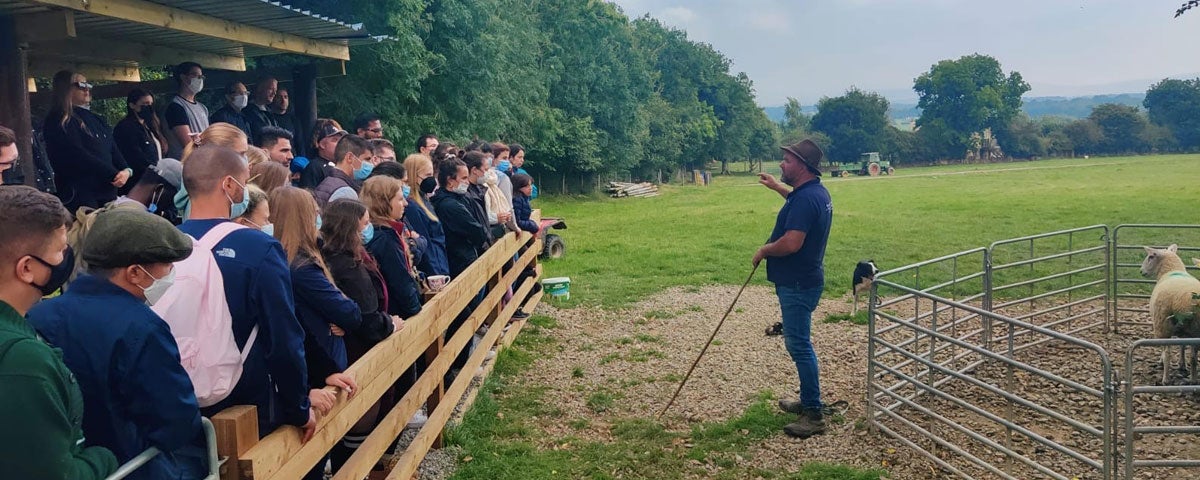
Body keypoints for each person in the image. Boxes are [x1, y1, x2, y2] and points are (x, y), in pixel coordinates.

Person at [27, 208, 205, 480]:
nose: (171, 274)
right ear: (135, 272)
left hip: (62, 462)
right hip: (129, 465)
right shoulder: (142, 328)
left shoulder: (40, 314)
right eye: (168, 266)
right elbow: (176, 421)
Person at [176, 145, 315, 437]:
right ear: (228, 185)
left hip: (179, 392)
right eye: (244, 181)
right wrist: (297, 407)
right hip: (246, 396)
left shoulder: (163, 244)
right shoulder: (258, 248)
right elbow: (284, 336)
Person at [0, 185, 119, 479]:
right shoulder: (23, 361)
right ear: (27, 268)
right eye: (60, 251)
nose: (66, 258)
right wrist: (103, 458)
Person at [752, 139, 834, 439]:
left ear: (801, 165)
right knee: (800, 342)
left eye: (786, 160)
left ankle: (813, 414)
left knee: (799, 345)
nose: (782, 164)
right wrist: (776, 187)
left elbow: (791, 242)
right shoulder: (814, 193)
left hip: (798, 283)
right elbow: (798, 205)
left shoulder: (805, 199)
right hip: (806, 279)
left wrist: (764, 250)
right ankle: (807, 398)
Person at [43, 70, 130, 213]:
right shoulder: (58, 119)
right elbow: (77, 154)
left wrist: (126, 170)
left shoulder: (96, 119)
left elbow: (112, 148)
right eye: (80, 85)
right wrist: (112, 174)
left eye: (88, 84)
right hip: (80, 193)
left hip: (107, 190)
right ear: (65, 88)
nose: (86, 89)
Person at [360, 176, 423, 318]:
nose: (405, 203)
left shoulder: (384, 232)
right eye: (400, 199)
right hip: (398, 316)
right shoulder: (385, 239)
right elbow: (401, 283)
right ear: (384, 202)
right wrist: (417, 311)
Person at [431, 158, 487, 278]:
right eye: (463, 178)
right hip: (461, 261)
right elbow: (476, 231)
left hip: (464, 257)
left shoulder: (461, 198)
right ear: (450, 181)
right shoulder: (449, 205)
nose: (467, 182)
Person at [113, 89, 168, 194]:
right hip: (138, 183)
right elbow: (135, 157)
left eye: (151, 104)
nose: (149, 107)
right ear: (132, 105)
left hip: (154, 180)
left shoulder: (150, 126)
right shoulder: (126, 127)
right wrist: (155, 173)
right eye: (145, 104)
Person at [403, 154, 449, 276]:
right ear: (414, 176)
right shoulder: (412, 206)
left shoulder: (424, 200)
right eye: (427, 175)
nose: (432, 179)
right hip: (434, 269)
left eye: (432, 175)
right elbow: (426, 245)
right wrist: (437, 274)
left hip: (440, 262)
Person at [164, 62, 209, 159]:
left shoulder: (203, 108)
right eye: (196, 75)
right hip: (185, 164)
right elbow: (188, 143)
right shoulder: (176, 107)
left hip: (204, 160)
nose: (200, 79)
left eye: (201, 76)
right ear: (183, 77)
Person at [314, 134, 372, 207]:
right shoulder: (345, 192)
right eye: (367, 159)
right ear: (350, 158)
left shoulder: (328, 181)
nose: (370, 164)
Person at [298, 119, 346, 190]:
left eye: (341, 140)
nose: (340, 144)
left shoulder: (343, 166)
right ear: (322, 144)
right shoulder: (314, 167)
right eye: (335, 140)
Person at [461, 151, 496, 248]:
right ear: (474, 170)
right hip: (478, 248)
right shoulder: (466, 194)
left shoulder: (479, 190)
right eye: (485, 169)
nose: (487, 173)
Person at [270, 87, 305, 158]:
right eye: (279, 97)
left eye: (285, 97)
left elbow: (300, 143)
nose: (283, 100)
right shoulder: (268, 118)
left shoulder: (293, 120)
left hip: (292, 158)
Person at [244, 76, 279, 145]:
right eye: (271, 89)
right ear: (260, 89)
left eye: (275, 90)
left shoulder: (270, 113)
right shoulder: (246, 112)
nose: (274, 93)